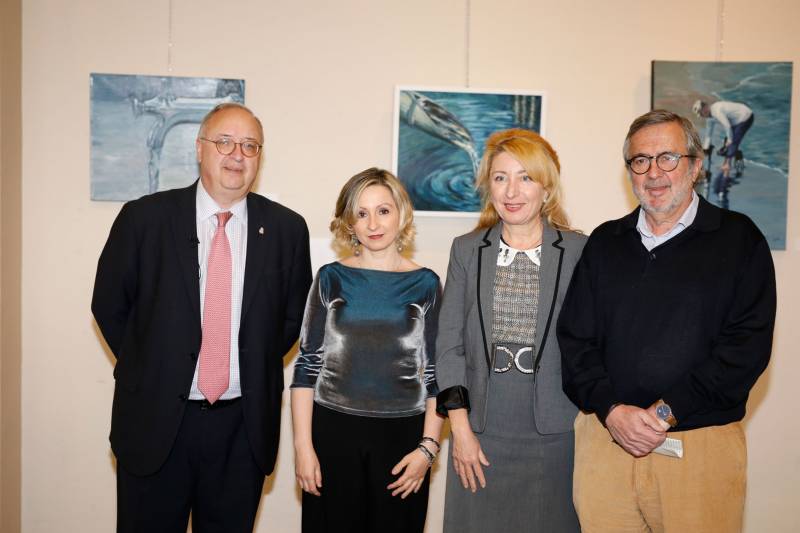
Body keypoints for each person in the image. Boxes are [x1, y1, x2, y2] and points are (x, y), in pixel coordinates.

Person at [92, 102, 312, 533]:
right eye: (225, 142)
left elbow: (291, 319)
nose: (237, 155)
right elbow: (109, 305)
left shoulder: (287, 229)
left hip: (241, 430)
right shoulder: (144, 218)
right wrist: (155, 363)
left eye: (250, 146)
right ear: (199, 149)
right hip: (155, 424)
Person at [558, 109, 776, 532]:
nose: (653, 172)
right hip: (606, 443)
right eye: (640, 160)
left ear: (695, 166)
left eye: (667, 158)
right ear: (629, 172)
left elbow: (745, 348)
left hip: (699, 449)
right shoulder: (606, 242)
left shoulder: (739, 239)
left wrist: (664, 413)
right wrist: (612, 410)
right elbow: (575, 341)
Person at [435, 128, 585, 532]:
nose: (512, 191)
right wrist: (460, 430)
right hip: (481, 427)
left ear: (546, 187)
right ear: (488, 186)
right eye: (501, 178)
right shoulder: (466, 250)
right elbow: (449, 347)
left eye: (525, 177)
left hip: (555, 430)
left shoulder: (578, 251)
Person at [290, 168, 444, 533]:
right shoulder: (331, 278)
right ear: (349, 223)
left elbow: (439, 373)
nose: (373, 223)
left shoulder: (426, 283)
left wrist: (428, 449)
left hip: (403, 442)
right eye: (362, 213)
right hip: (332, 438)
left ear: (401, 214)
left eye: (383, 210)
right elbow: (306, 365)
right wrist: (303, 447)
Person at [692, 99, 754, 180]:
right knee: (728, 141)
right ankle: (733, 157)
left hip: (745, 116)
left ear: (705, 108)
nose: (701, 116)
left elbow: (727, 126)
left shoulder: (717, 110)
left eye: (701, 113)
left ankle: (727, 165)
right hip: (735, 120)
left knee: (732, 141)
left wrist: (730, 140)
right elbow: (708, 135)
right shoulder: (709, 118)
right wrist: (706, 149)